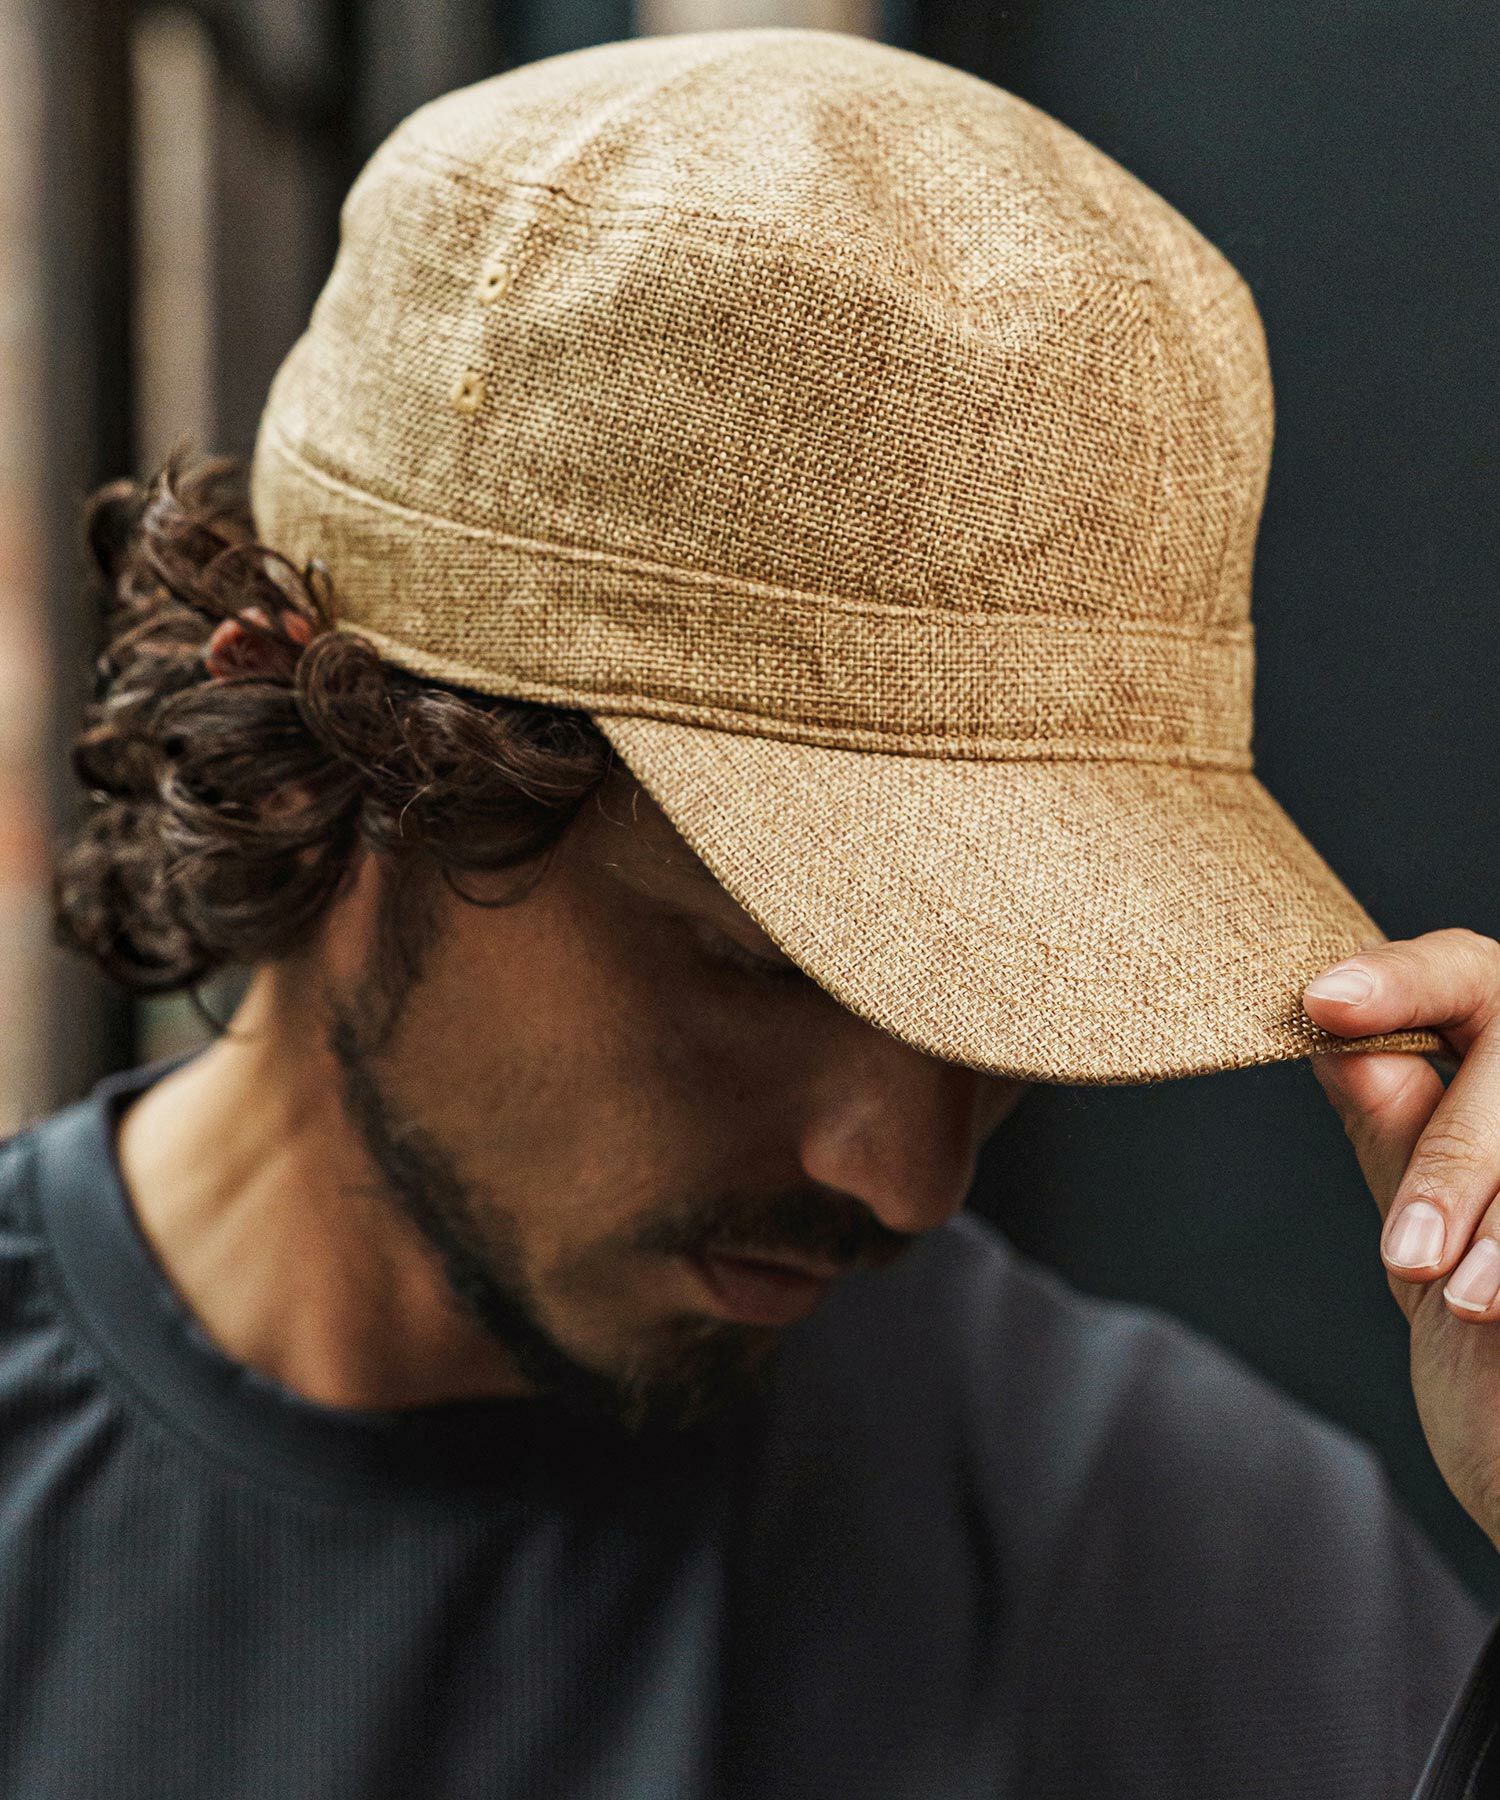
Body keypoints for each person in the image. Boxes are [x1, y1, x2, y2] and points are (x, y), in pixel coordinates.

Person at [4, 27, 1498, 1799]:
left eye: (1008, 1005)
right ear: (308, 764)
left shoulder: (1186, 1564)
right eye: (756, 965)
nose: (910, 1178)